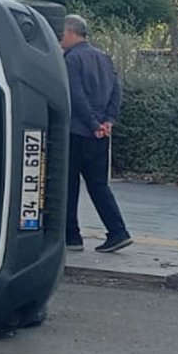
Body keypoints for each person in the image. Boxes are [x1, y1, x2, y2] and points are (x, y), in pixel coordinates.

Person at [62, 15, 132, 254]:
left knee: (69, 184)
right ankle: (118, 232)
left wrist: (92, 123)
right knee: (99, 185)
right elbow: (116, 91)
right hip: (101, 134)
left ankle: (72, 236)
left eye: (62, 33)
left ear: (71, 32)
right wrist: (108, 122)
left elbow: (77, 97)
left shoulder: (71, 59)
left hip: (77, 132)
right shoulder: (103, 57)